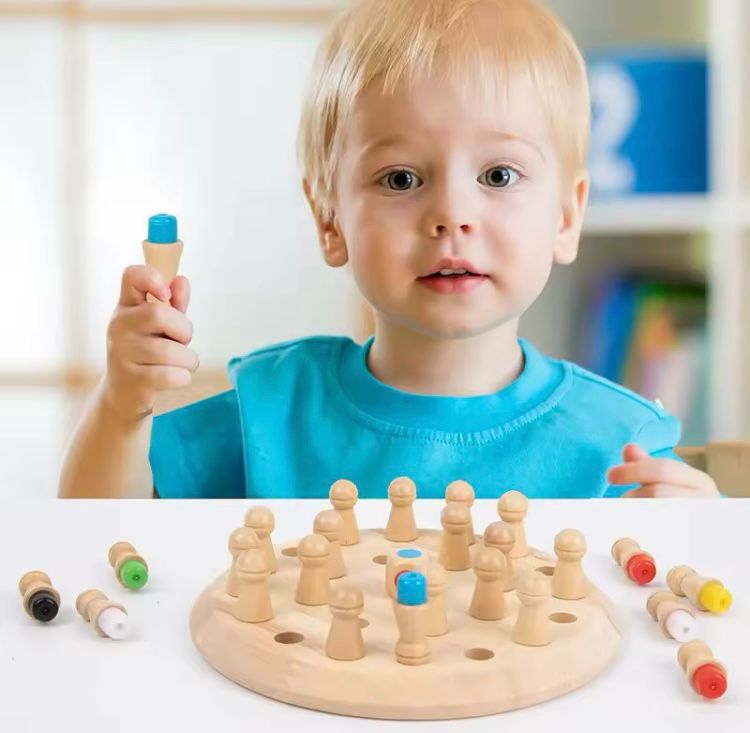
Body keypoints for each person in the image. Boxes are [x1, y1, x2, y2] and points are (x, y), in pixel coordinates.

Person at [58, 0, 718, 499]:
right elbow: (95, 533)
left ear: (567, 215)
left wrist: (702, 540)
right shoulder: (272, 412)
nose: (453, 214)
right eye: (402, 179)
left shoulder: (621, 444)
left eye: (498, 176)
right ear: (330, 218)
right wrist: (122, 407)